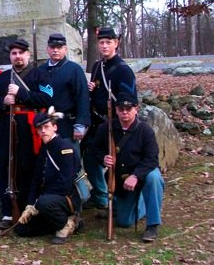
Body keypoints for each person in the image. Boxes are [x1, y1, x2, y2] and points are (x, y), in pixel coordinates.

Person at [0, 39, 52, 230]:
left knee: (28, 165)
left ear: (28, 55)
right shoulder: (2, 78)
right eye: (14, 53)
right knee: (6, 165)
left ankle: (28, 208)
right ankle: (7, 212)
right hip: (7, 125)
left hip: (29, 126)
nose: (18, 56)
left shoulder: (40, 75)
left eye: (21, 53)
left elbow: (47, 98)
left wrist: (21, 93)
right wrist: (3, 101)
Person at [92, 91, 165, 242]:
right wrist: (103, 159)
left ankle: (152, 225)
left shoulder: (145, 131)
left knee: (154, 177)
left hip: (142, 176)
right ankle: (144, 201)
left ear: (136, 109)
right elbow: (95, 149)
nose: (124, 112)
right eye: (121, 109)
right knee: (125, 222)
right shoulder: (106, 128)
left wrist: (135, 176)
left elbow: (151, 159)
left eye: (128, 108)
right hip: (120, 182)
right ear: (116, 110)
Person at [83, 26, 137, 211]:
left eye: (108, 42)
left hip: (114, 122)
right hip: (97, 122)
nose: (104, 46)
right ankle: (101, 194)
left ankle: (116, 197)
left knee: (116, 160)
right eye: (101, 42)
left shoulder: (123, 70)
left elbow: (130, 100)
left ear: (116, 43)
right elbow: (97, 90)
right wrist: (92, 89)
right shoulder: (98, 66)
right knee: (90, 158)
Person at [14, 108, 82, 244]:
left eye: (46, 127)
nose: (43, 131)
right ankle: (63, 222)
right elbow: (36, 180)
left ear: (55, 127)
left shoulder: (65, 148)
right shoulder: (45, 149)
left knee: (44, 203)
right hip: (47, 200)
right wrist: (29, 205)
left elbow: (65, 182)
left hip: (66, 198)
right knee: (22, 229)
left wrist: (38, 203)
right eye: (40, 128)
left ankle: (66, 224)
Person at [37, 33, 90, 148]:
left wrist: (80, 124)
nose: (55, 50)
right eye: (52, 47)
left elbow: (82, 97)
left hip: (67, 125)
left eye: (59, 47)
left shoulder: (74, 69)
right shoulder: (40, 71)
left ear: (65, 49)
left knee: (69, 162)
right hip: (45, 126)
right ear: (47, 49)